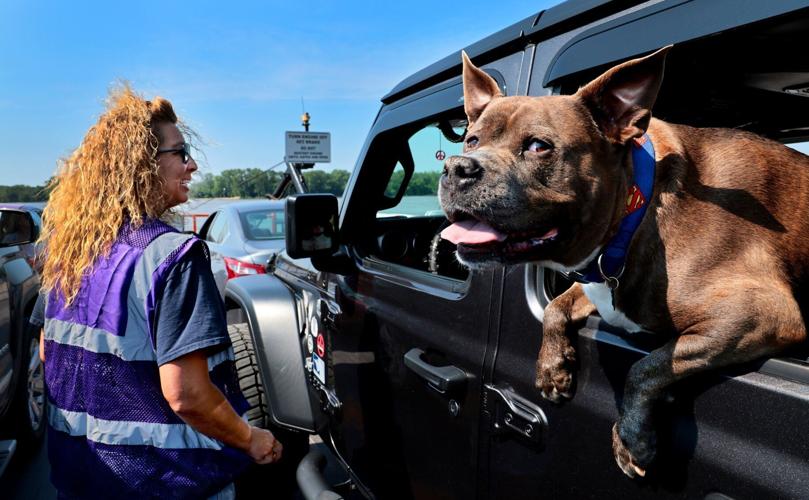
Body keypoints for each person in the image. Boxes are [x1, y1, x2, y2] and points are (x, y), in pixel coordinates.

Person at [38, 85, 282, 499]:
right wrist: (251, 438)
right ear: (143, 165)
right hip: (166, 483)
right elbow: (187, 395)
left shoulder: (69, 252)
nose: (192, 166)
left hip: (80, 478)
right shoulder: (175, 256)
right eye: (181, 153)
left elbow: (50, 352)